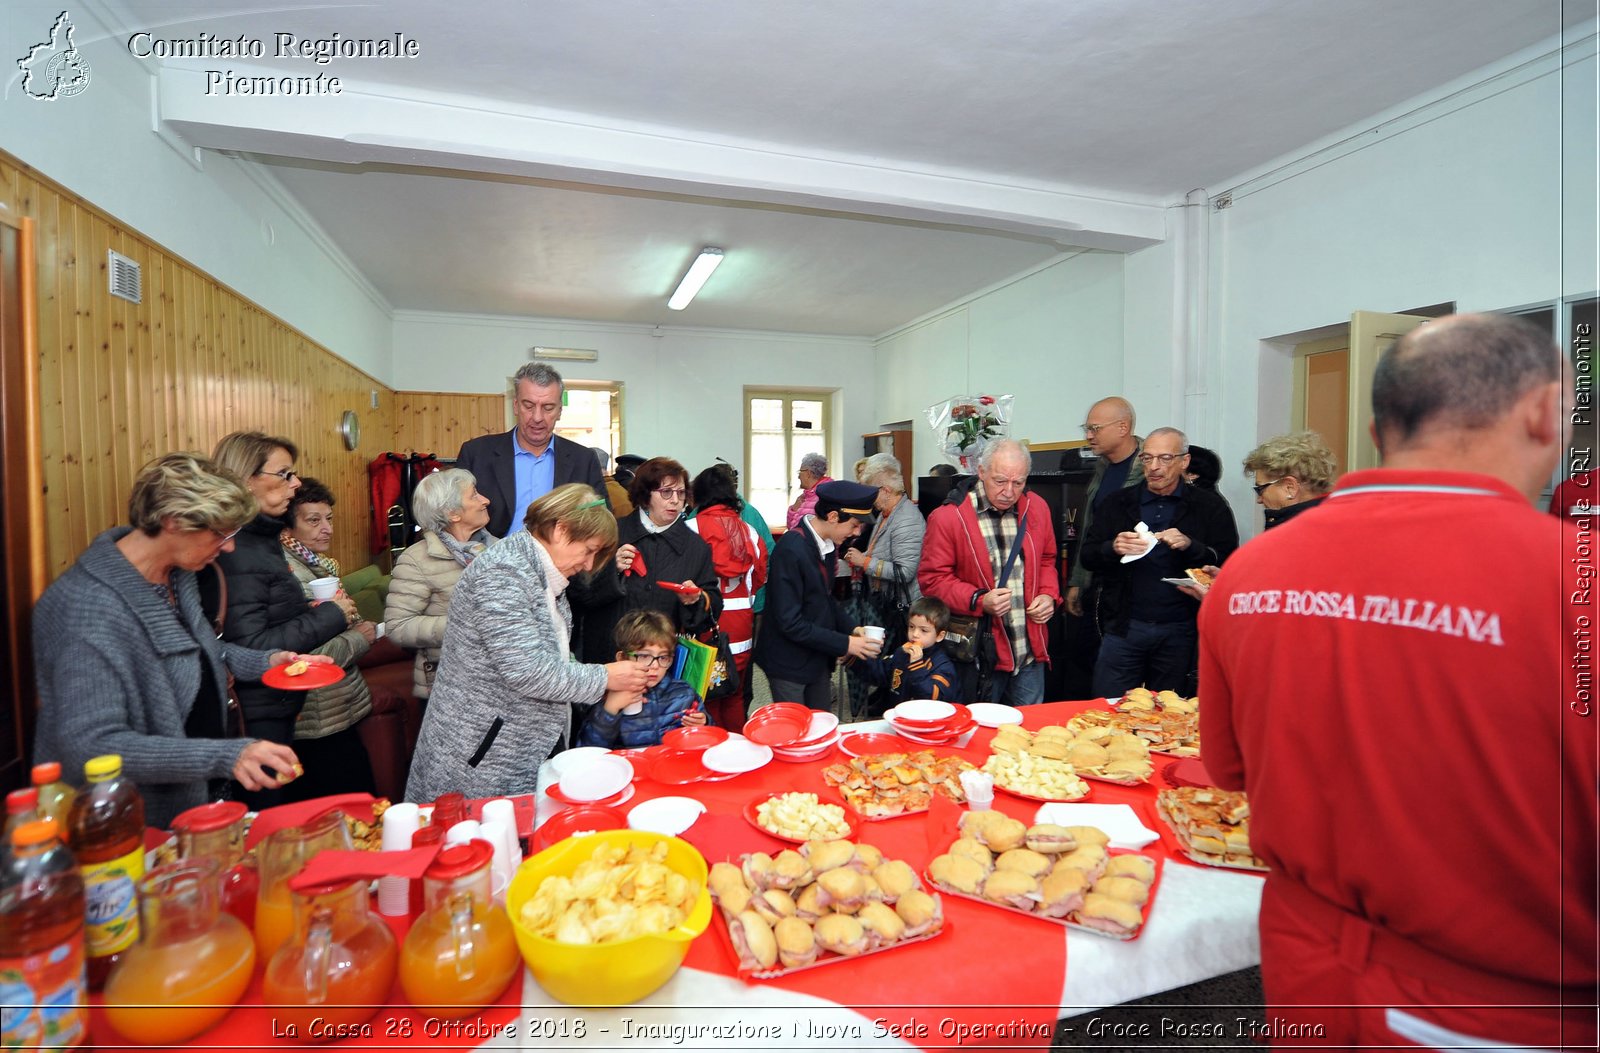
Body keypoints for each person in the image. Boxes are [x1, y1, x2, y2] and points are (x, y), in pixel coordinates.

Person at [1199, 313, 1596, 1049]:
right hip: (1503, 1008)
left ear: (1381, 429)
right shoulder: (1580, 581)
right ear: (1545, 411)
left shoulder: (1249, 573)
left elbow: (1228, 769)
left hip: (1305, 970)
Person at [31, 453, 324, 828]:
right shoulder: (85, 608)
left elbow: (201, 654)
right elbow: (91, 747)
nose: (229, 547)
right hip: (122, 826)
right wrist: (225, 757)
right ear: (172, 521)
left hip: (197, 803)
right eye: (221, 534)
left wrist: (267, 662)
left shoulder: (175, 575)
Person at [405, 484, 650, 801]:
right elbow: (528, 671)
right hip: (480, 754)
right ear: (561, 530)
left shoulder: (540, 572)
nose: (589, 565)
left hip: (508, 743)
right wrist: (606, 677)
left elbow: (553, 654)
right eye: (588, 550)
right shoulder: (503, 573)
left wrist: (594, 676)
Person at [212, 432, 357, 806]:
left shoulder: (261, 539)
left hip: (276, 706)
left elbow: (259, 617)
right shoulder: (238, 548)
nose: (295, 484)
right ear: (245, 480)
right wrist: (331, 615)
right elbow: (249, 646)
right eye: (284, 474)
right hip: (257, 715)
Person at [1079, 427, 1237, 698]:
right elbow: (1088, 556)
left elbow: (1228, 563)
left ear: (1184, 461)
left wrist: (1191, 546)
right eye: (1147, 458)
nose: (1154, 467)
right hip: (1124, 626)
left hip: (1180, 627)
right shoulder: (1118, 503)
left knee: (1170, 710)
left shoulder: (1209, 506)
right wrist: (1112, 547)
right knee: (1108, 706)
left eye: (1164, 458)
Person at [918, 439, 1060, 706]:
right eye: (999, 481)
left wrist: (1048, 594)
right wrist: (979, 599)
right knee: (980, 733)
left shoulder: (1037, 507)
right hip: (982, 655)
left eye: (1018, 483)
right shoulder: (949, 517)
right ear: (981, 472)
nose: (1009, 491)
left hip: (1029, 649)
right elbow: (932, 580)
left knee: (1029, 734)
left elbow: (1047, 559)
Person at [570, 456, 722, 665]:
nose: (675, 501)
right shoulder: (610, 533)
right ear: (645, 495)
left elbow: (712, 604)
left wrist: (696, 600)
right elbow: (577, 593)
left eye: (681, 493)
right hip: (608, 656)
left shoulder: (696, 547)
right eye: (666, 492)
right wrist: (611, 569)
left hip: (660, 662)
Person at [279, 478, 378, 799]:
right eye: (313, 520)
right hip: (315, 716)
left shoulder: (316, 565)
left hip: (335, 707)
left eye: (329, 519)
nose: (327, 529)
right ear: (289, 527)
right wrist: (359, 638)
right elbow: (303, 655)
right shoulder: (289, 576)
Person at [755, 480, 884, 709]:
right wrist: (846, 644)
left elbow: (824, 599)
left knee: (821, 722)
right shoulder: (791, 549)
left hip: (815, 655)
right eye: (854, 525)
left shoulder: (827, 546)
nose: (856, 533)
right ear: (833, 516)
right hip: (789, 663)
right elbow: (790, 622)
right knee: (796, 731)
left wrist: (852, 628)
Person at [454, 362, 607, 538]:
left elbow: (600, 517)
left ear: (559, 411)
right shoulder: (476, 454)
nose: (537, 417)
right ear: (516, 405)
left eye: (548, 408)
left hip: (561, 563)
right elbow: (453, 517)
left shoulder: (583, 460)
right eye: (528, 406)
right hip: (492, 560)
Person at [384, 468, 496, 704]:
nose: (486, 500)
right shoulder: (416, 560)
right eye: (474, 495)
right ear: (452, 513)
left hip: (501, 680)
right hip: (449, 686)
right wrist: (466, 625)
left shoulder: (500, 549)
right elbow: (398, 626)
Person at [685, 464, 768, 731]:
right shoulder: (750, 532)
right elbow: (759, 578)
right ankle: (737, 750)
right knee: (734, 692)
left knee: (703, 697)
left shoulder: (689, 529)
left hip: (703, 625)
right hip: (742, 626)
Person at [844, 453, 924, 715]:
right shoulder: (888, 513)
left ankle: (893, 705)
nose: (870, 499)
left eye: (872, 492)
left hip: (902, 606)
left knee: (899, 660)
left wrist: (864, 562)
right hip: (886, 602)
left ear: (886, 490)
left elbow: (905, 571)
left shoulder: (907, 519)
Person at [577, 610, 708, 748]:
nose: (655, 665)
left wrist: (703, 723)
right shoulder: (607, 695)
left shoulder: (684, 693)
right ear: (622, 658)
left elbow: (705, 740)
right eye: (645, 656)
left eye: (663, 657)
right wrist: (610, 709)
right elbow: (587, 749)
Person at [1065, 397, 1143, 621]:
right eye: (1087, 429)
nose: (1089, 436)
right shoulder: (1101, 468)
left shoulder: (1150, 468)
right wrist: (1078, 582)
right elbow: (1090, 531)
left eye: (1095, 429)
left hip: (1135, 593)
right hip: (1100, 585)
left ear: (1123, 427)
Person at [851, 597, 960, 704]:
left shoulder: (943, 666)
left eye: (924, 630)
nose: (915, 634)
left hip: (928, 720)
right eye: (912, 627)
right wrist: (853, 658)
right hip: (900, 714)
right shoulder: (902, 652)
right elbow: (879, 673)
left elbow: (933, 700)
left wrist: (916, 666)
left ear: (939, 636)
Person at [1241, 430, 1337, 530]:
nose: (1259, 500)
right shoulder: (1340, 520)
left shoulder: (1294, 535)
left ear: (1289, 487)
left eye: (1260, 489)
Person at [786, 452, 832, 531]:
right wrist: (794, 509)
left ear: (808, 473)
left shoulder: (825, 496)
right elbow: (792, 528)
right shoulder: (806, 496)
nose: (798, 476)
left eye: (800, 471)